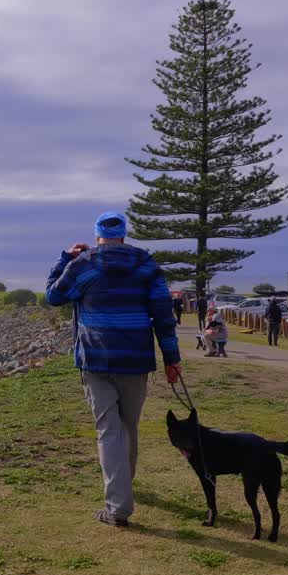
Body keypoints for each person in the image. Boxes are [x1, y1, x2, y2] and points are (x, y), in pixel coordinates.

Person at [46, 211, 181, 528]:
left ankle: (119, 506)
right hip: (135, 360)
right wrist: (171, 358)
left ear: (97, 236)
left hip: (96, 358)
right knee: (128, 427)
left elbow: (54, 295)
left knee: (109, 430)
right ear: (124, 234)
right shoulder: (145, 264)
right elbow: (163, 315)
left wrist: (65, 257)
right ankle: (123, 490)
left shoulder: (83, 264)